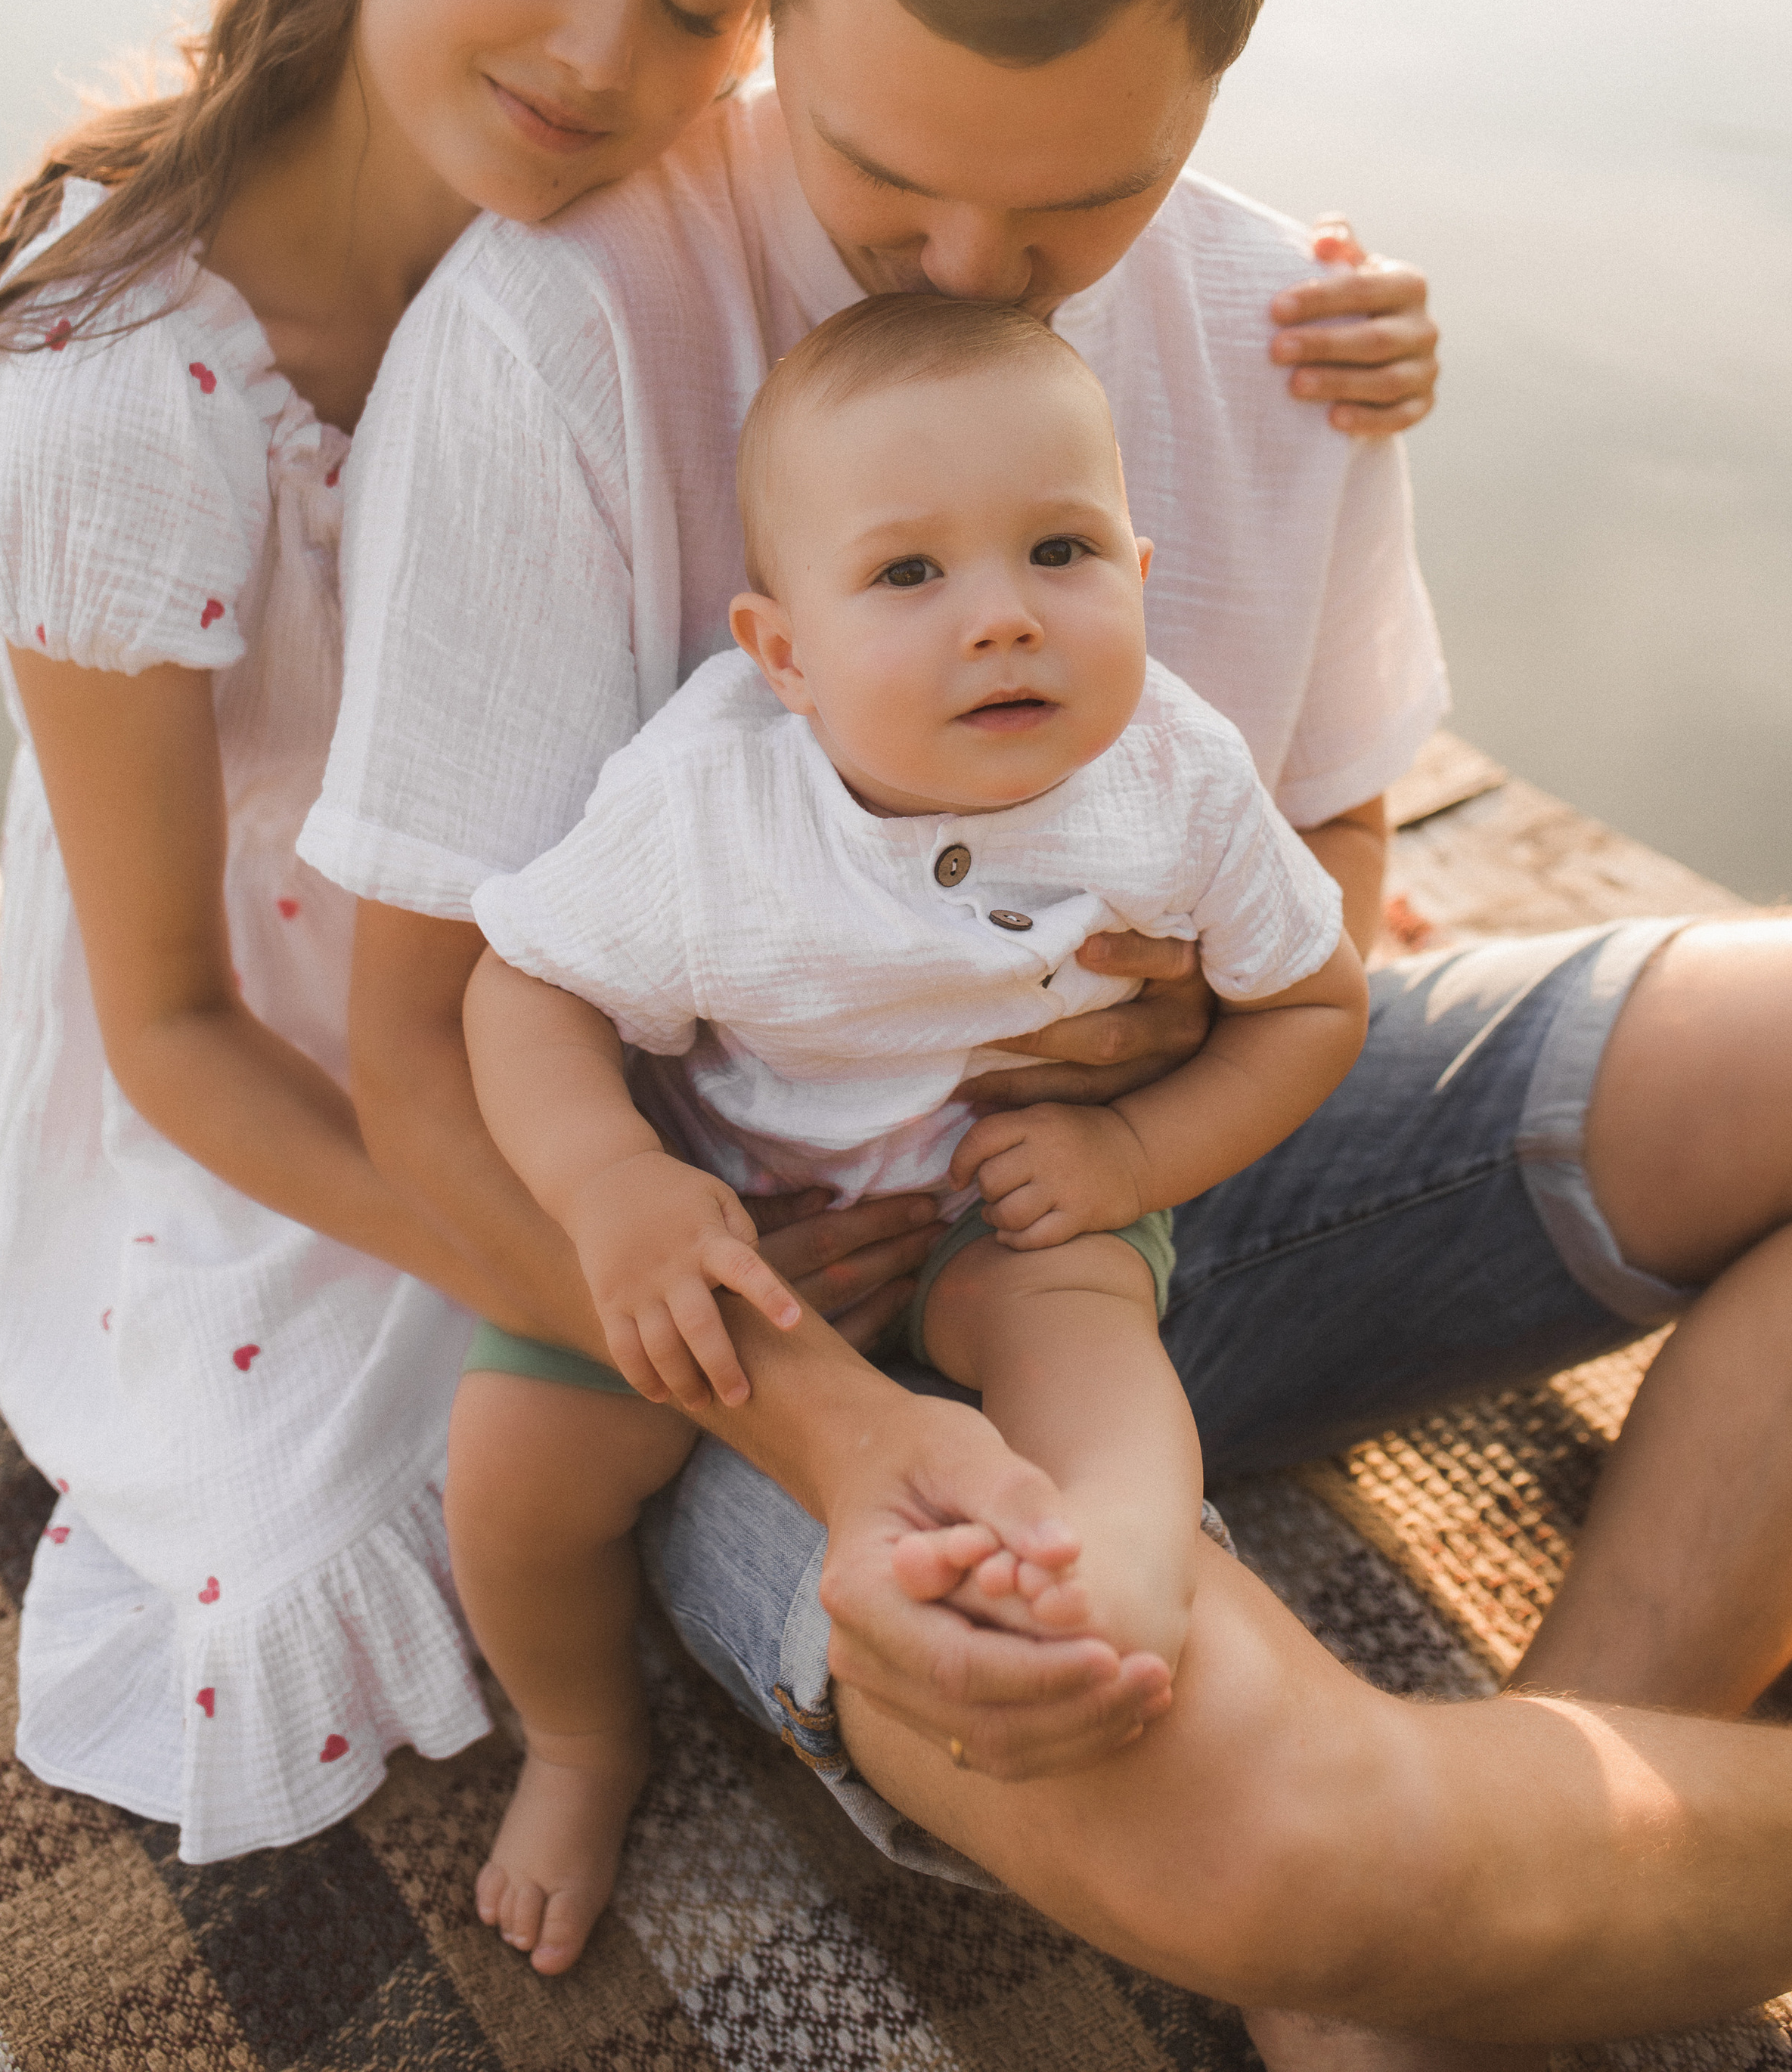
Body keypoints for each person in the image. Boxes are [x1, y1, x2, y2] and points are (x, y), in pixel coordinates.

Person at [315, 0, 1792, 2055]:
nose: (973, 273)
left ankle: (1544, 1793)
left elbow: (1340, 872)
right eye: (878, 173)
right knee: (1285, 1838)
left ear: (1215, 84)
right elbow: (428, 1052)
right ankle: (1439, 1896)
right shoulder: (550, 337)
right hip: (761, 1322)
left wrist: (1180, 1069)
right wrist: (840, 1433)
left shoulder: (1291, 322)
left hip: (1157, 1196)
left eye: (1081, 204)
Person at [0, 0, 1425, 1867]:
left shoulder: (641, 263)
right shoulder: (124, 400)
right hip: (303, 1088)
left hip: (596, 1031)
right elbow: (178, 1023)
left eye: (697, 1)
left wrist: (1330, 327)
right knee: (438, 1501)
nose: (599, 58)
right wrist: (758, 1355)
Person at [451, 293, 1367, 1967]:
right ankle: (582, 1739)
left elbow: (1314, 1005)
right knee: (512, 1478)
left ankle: (1121, 1574)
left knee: (1082, 1330)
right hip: (730, 1197)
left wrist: (1136, 1159)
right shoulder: (710, 803)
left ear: (1140, 576)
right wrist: (614, 1187)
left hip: (994, 1182)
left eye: (1060, 553)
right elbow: (523, 993)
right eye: (907, 576)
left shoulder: (1177, 773)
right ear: (781, 654)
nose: (1003, 622)